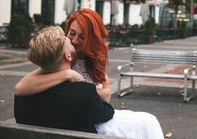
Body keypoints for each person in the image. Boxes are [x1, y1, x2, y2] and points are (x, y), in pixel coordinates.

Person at [15, 9, 164, 139]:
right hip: (82, 119)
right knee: (147, 123)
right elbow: (22, 86)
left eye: (82, 37)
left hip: (88, 114)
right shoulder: (56, 55)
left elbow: (106, 94)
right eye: (71, 34)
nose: (74, 41)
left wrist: (86, 94)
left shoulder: (92, 58)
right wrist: (66, 75)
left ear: (91, 39)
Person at [14, 26, 115, 133]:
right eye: (71, 45)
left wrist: (48, 65)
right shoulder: (85, 93)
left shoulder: (22, 95)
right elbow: (109, 113)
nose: (74, 45)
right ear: (67, 55)